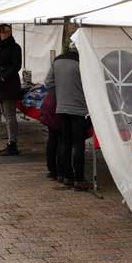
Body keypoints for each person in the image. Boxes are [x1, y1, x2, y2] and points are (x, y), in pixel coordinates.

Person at [45, 47, 89, 189]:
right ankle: (79, 178)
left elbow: (48, 82)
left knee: (65, 141)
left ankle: (66, 176)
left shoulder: (57, 60)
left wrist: (59, 96)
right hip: (79, 108)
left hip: (62, 107)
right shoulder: (83, 62)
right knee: (78, 143)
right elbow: (90, 85)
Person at [0, 23, 23, 156]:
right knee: (6, 114)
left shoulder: (15, 47)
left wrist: (4, 76)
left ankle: (12, 143)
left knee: (10, 115)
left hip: (9, 84)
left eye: (7, 32)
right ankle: (11, 141)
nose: (5, 34)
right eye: (2, 32)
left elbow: (16, 65)